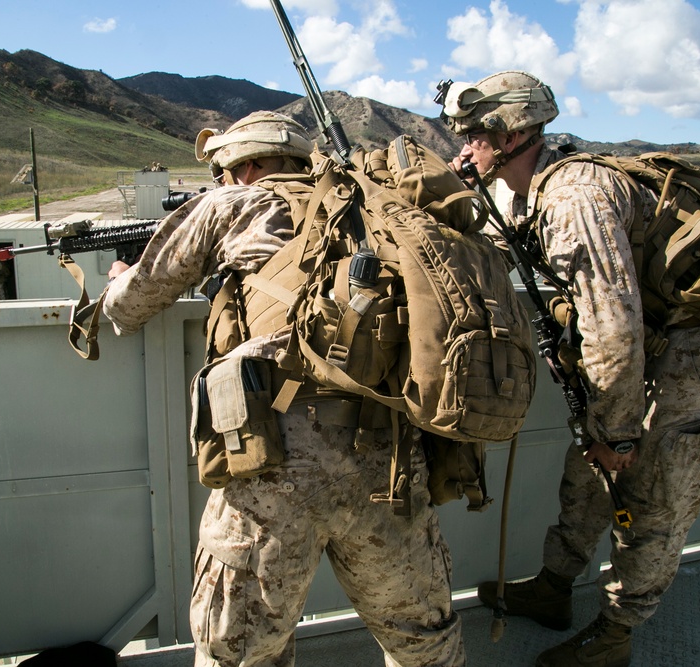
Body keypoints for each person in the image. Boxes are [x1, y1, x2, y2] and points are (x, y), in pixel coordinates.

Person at [103, 110, 464, 667]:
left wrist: (113, 283)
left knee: (243, 653)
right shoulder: (371, 205)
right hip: (387, 455)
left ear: (244, 166)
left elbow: (132, 304)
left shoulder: (231, 203)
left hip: (272, 461)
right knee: (423, 640)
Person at [437, 71, 700, 667]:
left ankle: (618, 633)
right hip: (640, 348)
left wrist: (616, 431)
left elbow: (611, 326)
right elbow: (491, 240)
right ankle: (554, 588)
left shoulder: (573, 198)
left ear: (511, 134)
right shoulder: (524, 189)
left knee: (655, 493)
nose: (464, 144)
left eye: (476, 133)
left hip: (692, 356)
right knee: (588, 470)